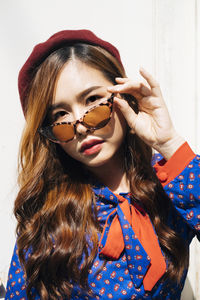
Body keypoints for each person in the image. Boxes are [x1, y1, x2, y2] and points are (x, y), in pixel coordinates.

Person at [5, 29, 200, 300]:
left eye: (93, 101)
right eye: (60, 115)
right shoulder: (47, 214)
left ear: (122, 95)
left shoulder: (173, 181)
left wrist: (169, 142)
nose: (81, 126)